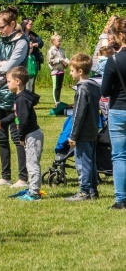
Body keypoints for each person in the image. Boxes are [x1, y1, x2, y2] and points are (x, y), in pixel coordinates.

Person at [0, 5, 29, 188]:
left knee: (17, 137)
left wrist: (1, 65)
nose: (0, 31)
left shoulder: (22, 43)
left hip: (13, 95)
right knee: (1, 136)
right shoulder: (1, 41)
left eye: (2, 27)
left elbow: (10, 65)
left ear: (12, 24)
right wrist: (0, 65)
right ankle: (5, 176)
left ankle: (23, 178)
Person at [0, 66, 44, 201]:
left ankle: (34, 193)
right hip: (30, 134)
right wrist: (2, 122)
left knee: (32, 164)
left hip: (31, 135)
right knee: (30, 163)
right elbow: (15, 116)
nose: (7, 84)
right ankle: (33, 188)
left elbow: (24, 120)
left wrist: (21, 137)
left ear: (18, 81)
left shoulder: (21, 99)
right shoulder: (21, 97)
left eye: (8, 81)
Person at [65, 53, 101, 202]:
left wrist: (73, 135)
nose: (70, 73)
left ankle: (84, 191)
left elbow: (78, 114)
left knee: (82, 162)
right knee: (91, 161)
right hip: (93, 129)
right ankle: (93, 190)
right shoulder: (94, 86)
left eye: (72, 70)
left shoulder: (82, 89)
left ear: (80, 71)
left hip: (83, 132)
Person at [101, 17, 126, 209]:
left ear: (119, 36)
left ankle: (121, 199)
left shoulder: (113, 60)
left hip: (118, 109)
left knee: (119, 156)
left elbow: (105, 91)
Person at [21, 18, 44, 92]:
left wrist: (34, 44)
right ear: (25, 25)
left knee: (32, 77)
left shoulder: (33, 35)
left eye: (32, 24)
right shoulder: (21, 34)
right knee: (24, 78)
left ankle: (31, 95)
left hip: (34, 58)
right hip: (24, 58)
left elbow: (41, 43)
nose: (31, 25)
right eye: (30, 24)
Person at [47, 34, 69, 107]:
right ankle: (56, 101)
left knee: (59, 86)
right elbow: (49, 61)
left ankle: (58, 100)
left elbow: (64, 58)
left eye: (60, 41)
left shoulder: (62, 50)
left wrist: (66, 63)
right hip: (55, 70)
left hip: (61, 70)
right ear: (53, 42)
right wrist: (59, 60)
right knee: (55, 86)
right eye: (58, 41)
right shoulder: (51, 51)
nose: (60, 42)